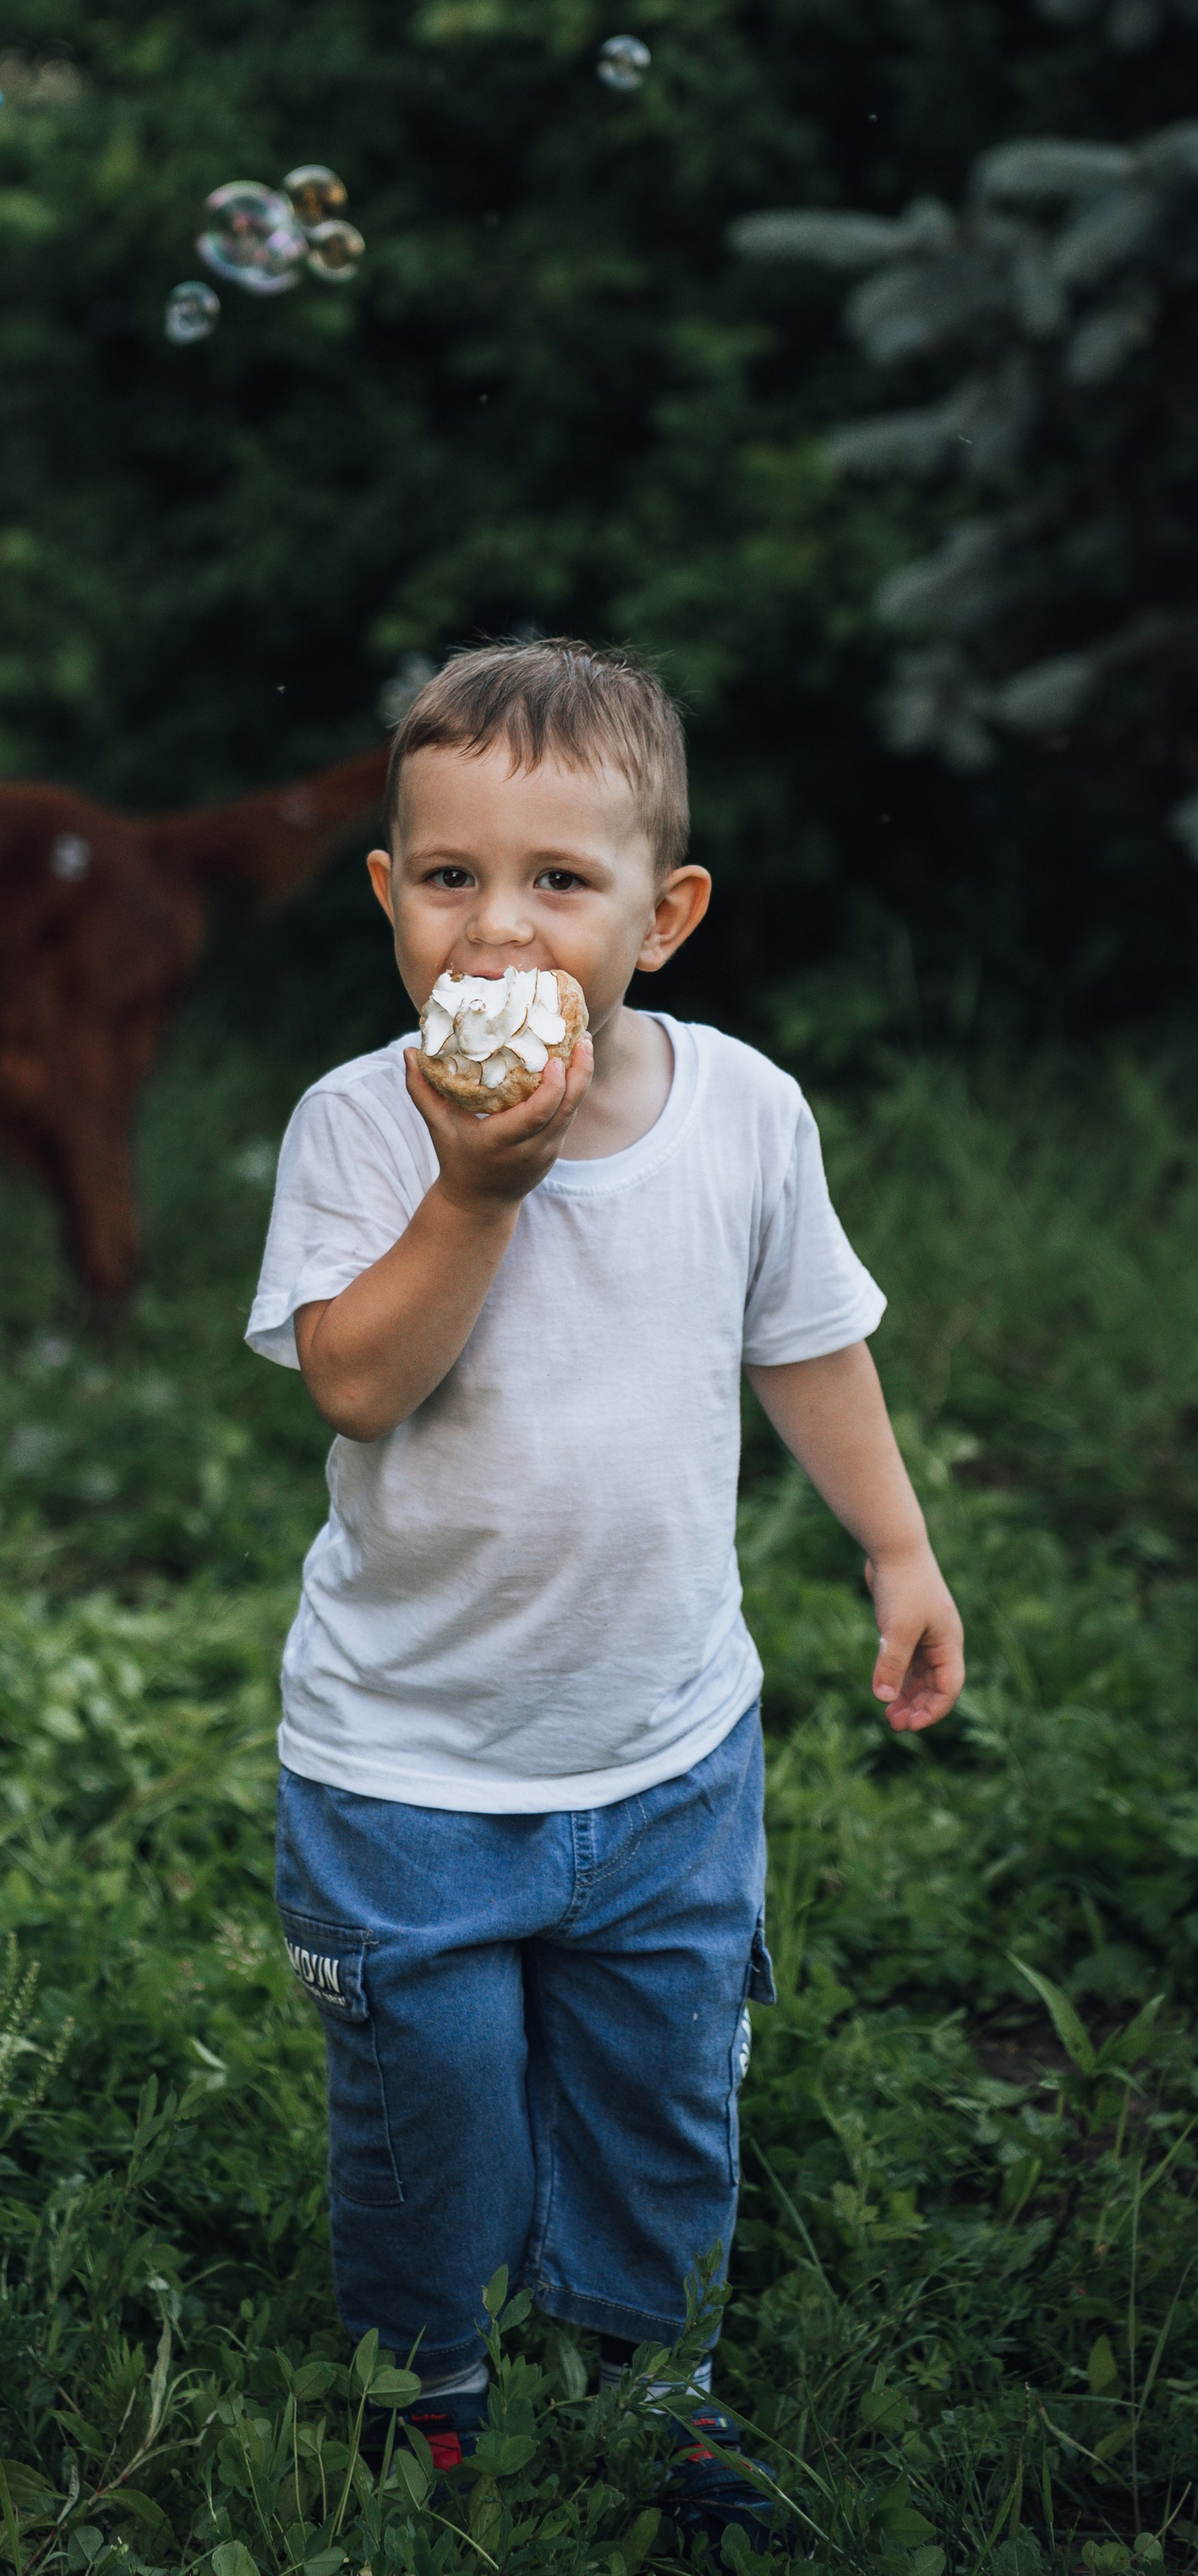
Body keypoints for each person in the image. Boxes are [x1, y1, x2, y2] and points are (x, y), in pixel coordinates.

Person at [247, 639, 964, 2525]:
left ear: (662, 917)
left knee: (660, 2100)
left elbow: (801, 1342)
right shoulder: (358, 1124)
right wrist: (474, 1188)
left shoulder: (739, 1114)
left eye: (559, 884)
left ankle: (653, 2381)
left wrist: (891, 1546)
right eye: (454, 879)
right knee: (433, 2118)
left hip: (663, 1750)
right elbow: (353, 1380)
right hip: (406, 1765)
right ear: (392, 901)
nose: (503, 929)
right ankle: (434, 2380)